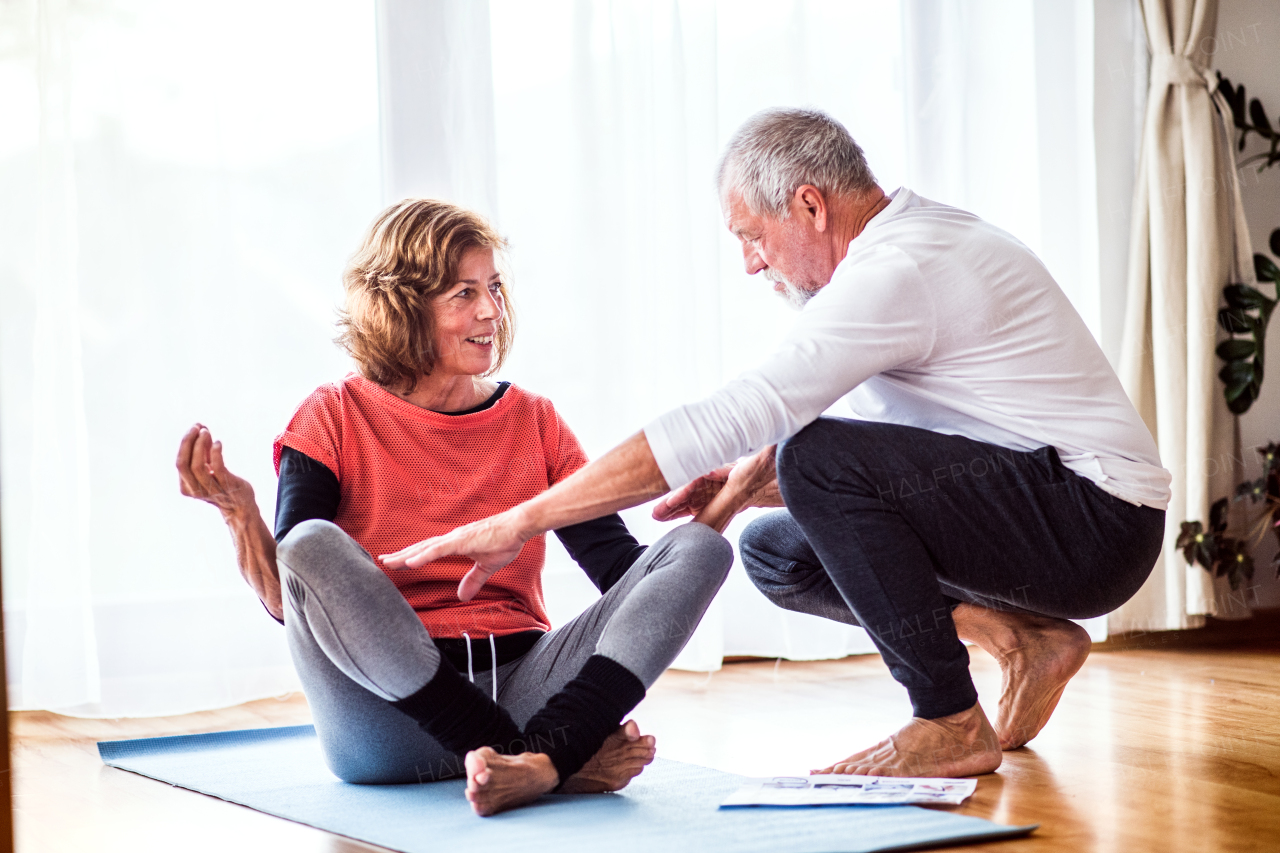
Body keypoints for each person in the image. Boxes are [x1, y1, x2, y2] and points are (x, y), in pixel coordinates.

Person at [382, 108, 1171, 782]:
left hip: (1096, 521)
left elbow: (758, 419)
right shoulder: (894, 253)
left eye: (752, 236)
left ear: (809, 205)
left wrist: (517, 521)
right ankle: (1023, 639)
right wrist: (732, 493)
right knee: (777, 552)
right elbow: (844, 449)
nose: (751, 262)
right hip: (1051, 507)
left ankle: (948, 720)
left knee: (816, 460)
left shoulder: (899, 270)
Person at [176, 199, 735, 816]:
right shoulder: (334, 414)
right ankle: (549, 759)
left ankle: (538, 759)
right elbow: (296, 600)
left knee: (700, 546)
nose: (491, 311)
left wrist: (724, 505)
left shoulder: (535, 420)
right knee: (307, 544)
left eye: (493, 287)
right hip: (386, 722)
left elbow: (623, 577)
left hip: (524, 688)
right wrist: (240, 512)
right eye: (463, 294)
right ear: (402, 308)